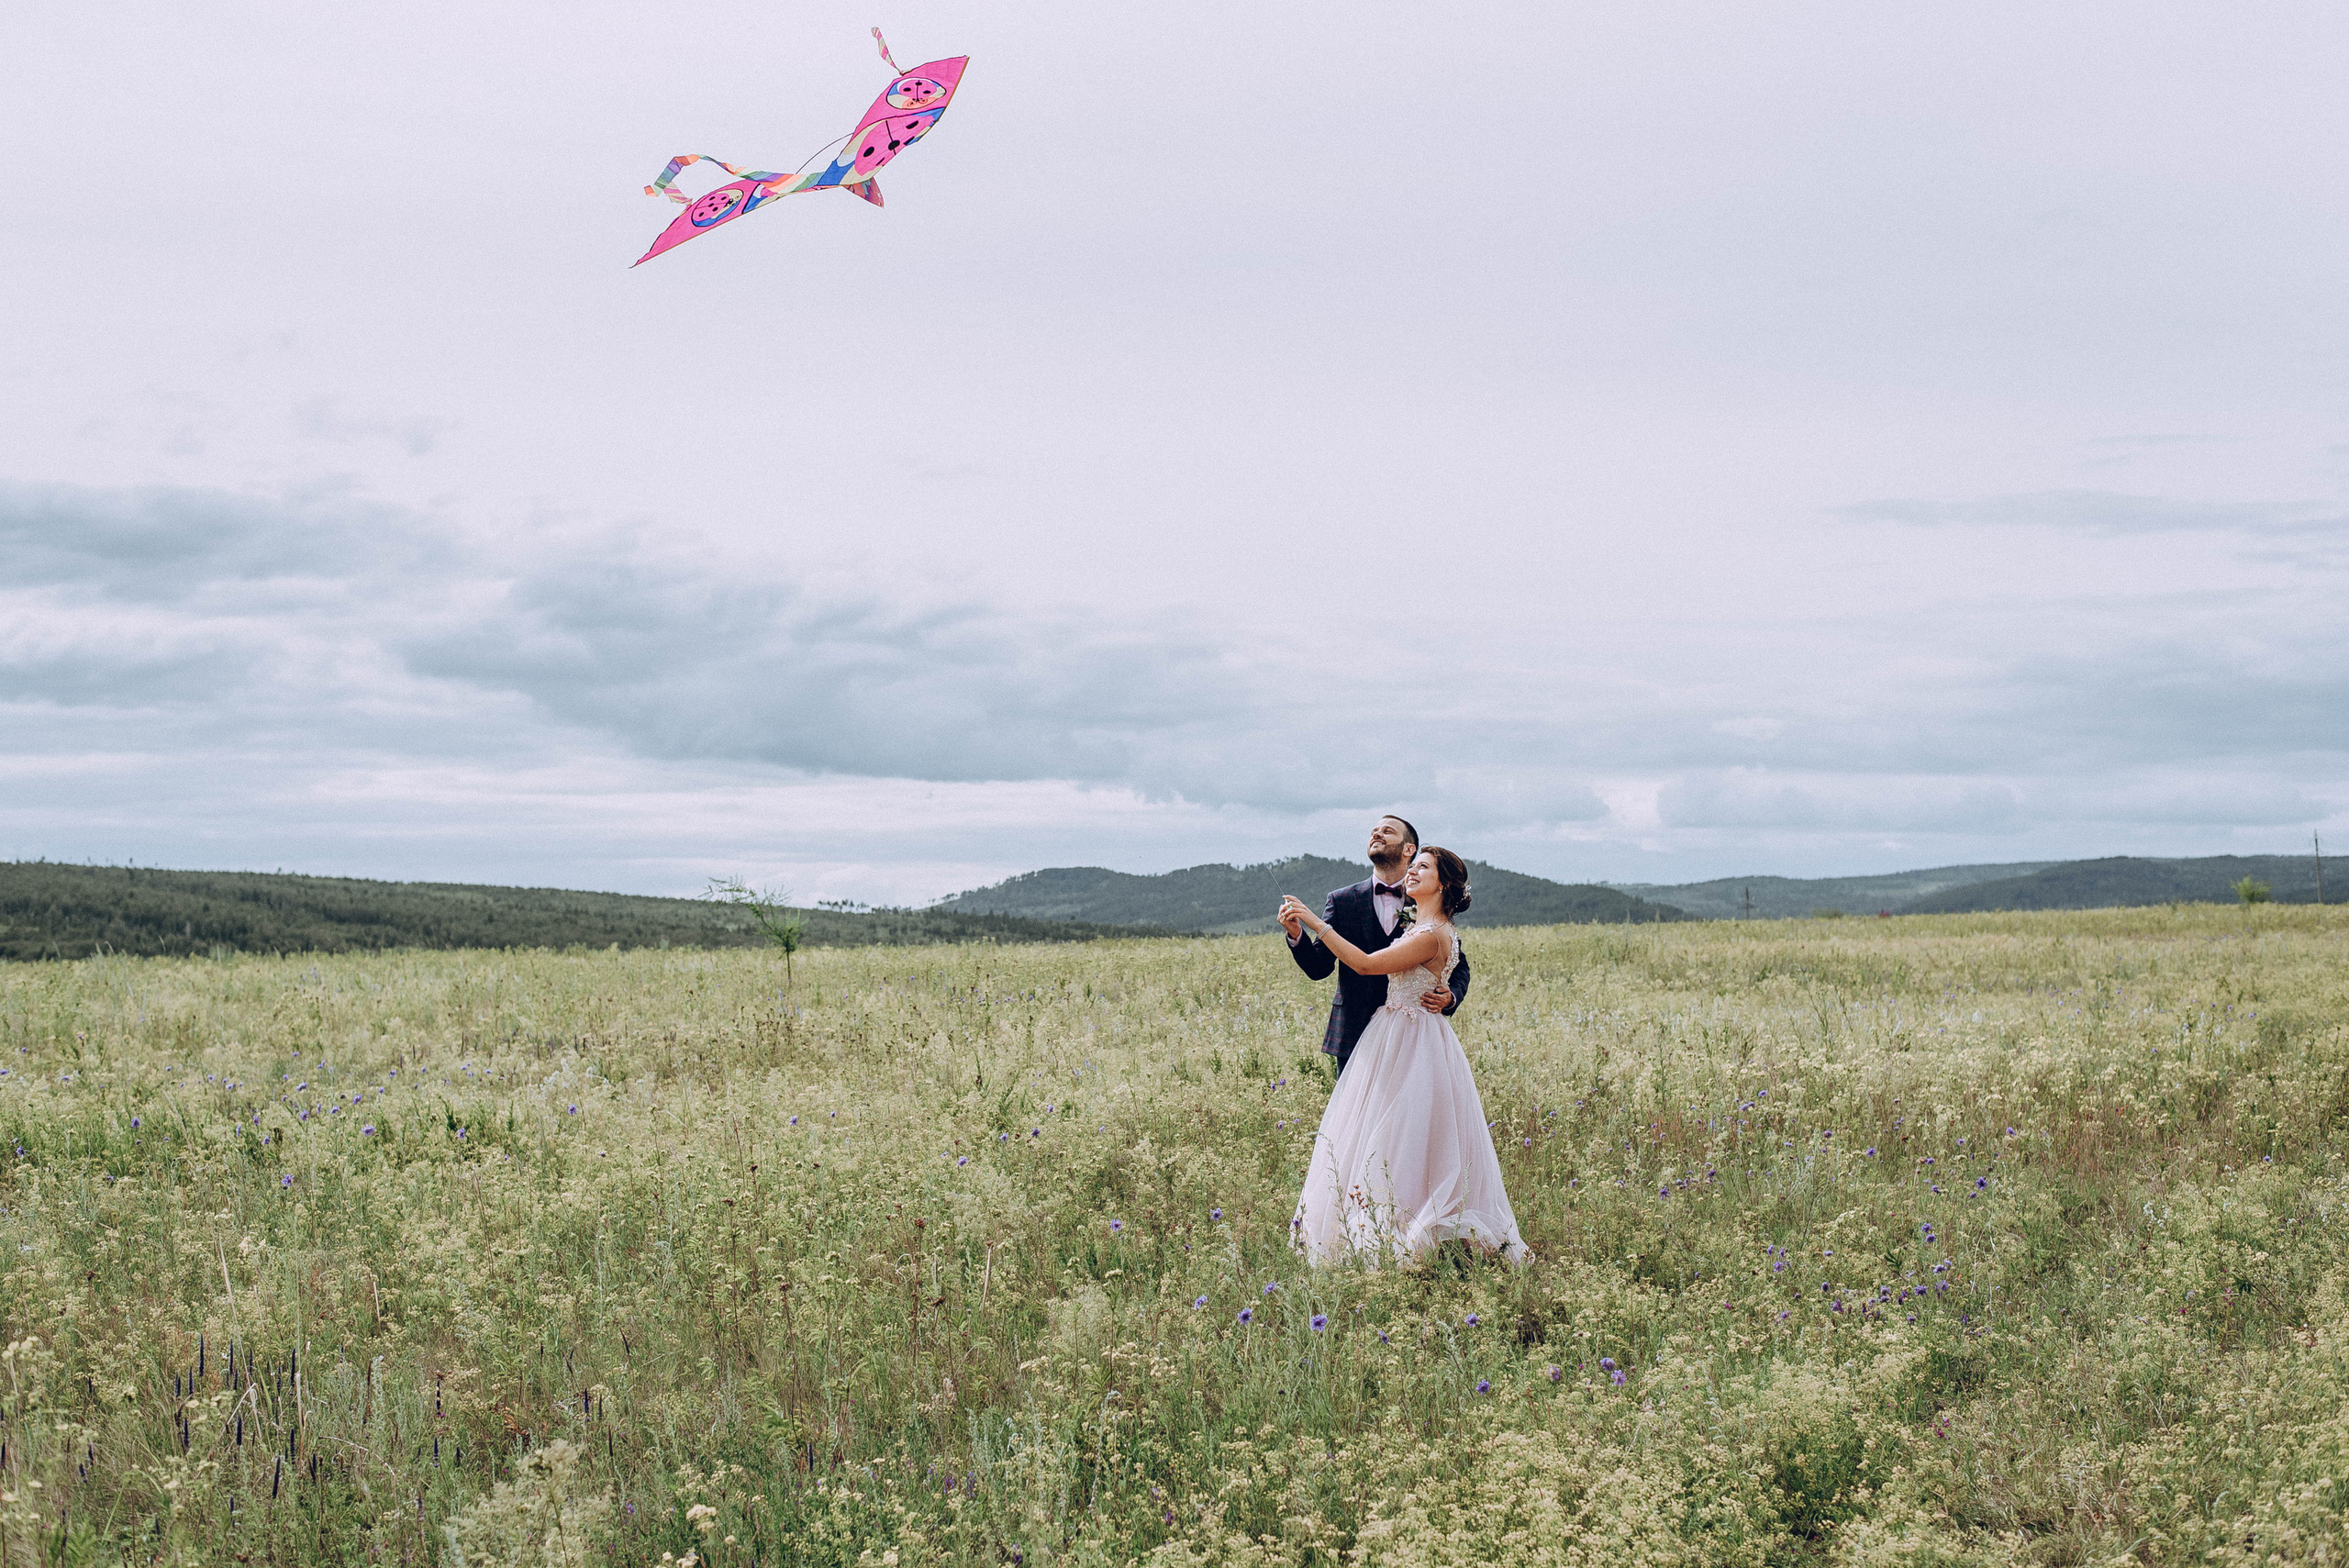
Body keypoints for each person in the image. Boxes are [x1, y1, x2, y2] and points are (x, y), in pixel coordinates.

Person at [1279, 847, 1529, 1267]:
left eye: (1422, 868)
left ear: (1444, 884)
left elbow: (1364, 964)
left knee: (1401, 1135)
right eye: (1412, 867)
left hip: (1412, 1043)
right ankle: (1396, 1220)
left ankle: (1401, 1229)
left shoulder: (1432, 935)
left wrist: (1315, 922)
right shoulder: (1424, 927)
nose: (1412, 873)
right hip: (1396, 1035)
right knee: (1391, 1134)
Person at [1282, 815, 1468, 1075]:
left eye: (1387, 831)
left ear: (1409, 849)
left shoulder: (1425, 901)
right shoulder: (1342, 900)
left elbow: (1456, 964)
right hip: (1353, 1028)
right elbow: (1318, 968)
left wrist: (1450, 996)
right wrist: (1297, 935)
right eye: (1374, 831)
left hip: (1410, 1033)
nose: (1376, 834)